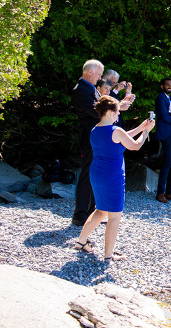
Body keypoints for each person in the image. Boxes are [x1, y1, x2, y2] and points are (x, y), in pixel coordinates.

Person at [73, 95, 155, 261]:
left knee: (101, 210)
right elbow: (134, 145)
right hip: (112, 176)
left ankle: (81, 242)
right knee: (115, 216)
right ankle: (109, 255)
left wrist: (140, 127)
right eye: (117, 112)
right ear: (110, 112)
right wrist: (146, 132)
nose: (118, 115)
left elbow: (121, 137)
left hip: (97, 174)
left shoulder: (95, 129)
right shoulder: (115, 131)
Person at [71, 59, 103, 226]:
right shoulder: (82, 89)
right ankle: (80, 214)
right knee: (87, 176)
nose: (100, 78)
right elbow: (95, 112)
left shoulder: (90, 88)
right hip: (89, 138)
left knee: (93, 176)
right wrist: (116, 107)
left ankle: (90, 210)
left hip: (95, 138)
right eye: (98, 74)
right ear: (90, 71)